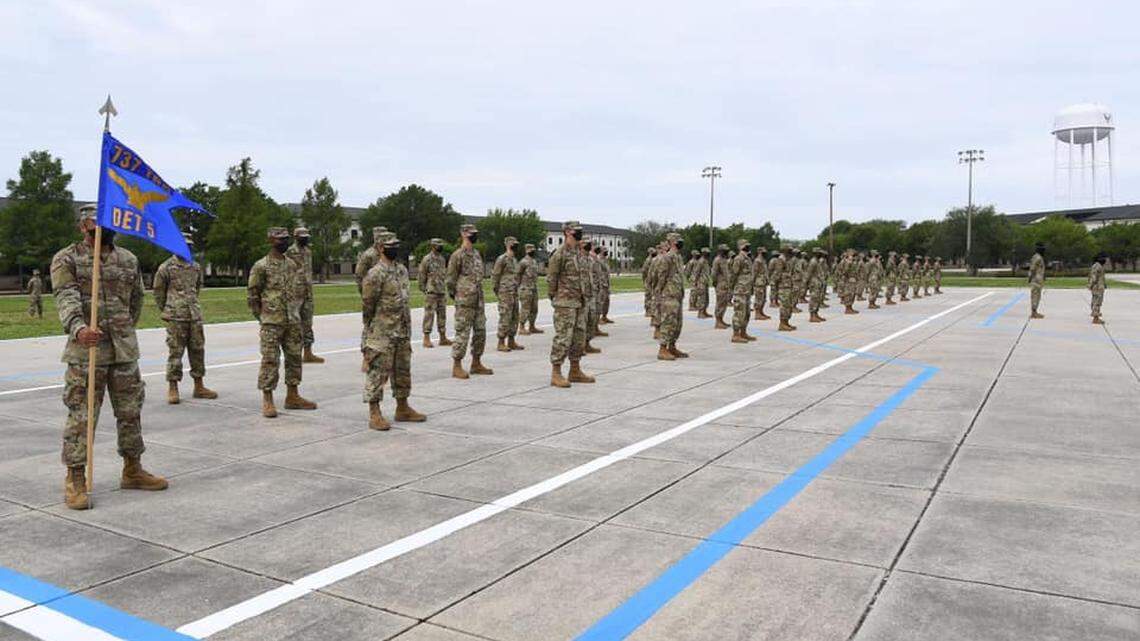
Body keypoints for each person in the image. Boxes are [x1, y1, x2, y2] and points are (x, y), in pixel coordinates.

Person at [51, 204, 167, 510]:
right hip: (86, 351)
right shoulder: (68, 258)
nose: (101, 230)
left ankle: (133, 469)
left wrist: (123, 329)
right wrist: (78, 328)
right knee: (82, 416)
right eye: (93, 226)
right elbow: (65, 297)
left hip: (124, 351)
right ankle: (75, 478)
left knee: (130, 411)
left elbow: (136, 301)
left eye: (106, 224)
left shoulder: (128, 259)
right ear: (83, 228)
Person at [249, 227, 318, 418]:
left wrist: (297, 313)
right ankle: (268, 400)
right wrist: (263, 317)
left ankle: (292, 396)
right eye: (280, 239)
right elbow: (253, 296)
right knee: (270, 360)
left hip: (292, 320)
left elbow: (298, 291)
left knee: (294, 358)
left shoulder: (292, 265)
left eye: (286, 239)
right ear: (271, 240)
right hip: (272, 322)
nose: (284, 242)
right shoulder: (261, 266)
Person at [361, 232, 425, 430]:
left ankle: (402, 408)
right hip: (382, 331)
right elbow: (368, 306)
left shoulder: (402, 270)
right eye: (390, 245)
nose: (394, 248)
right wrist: (371, 332)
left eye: (396, 244)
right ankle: (374, 413)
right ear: (380, 248)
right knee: (377, 373)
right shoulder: (375, 274)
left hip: (402, 330)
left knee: (402, 371)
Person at [153, 233, 217, 405]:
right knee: (175, 352)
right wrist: (168, 310)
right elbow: (159, 292)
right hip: (176, 317)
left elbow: (197, 288)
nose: (187, 248)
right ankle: (173, 387)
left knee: (198, 350)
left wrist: (192, 306)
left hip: (194, 316)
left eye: (189, 246)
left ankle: (199, 385)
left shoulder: (195, 267)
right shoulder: (166, 267)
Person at [547, 221, 594, 387]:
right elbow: (551, 279)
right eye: (576, 231)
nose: (579, 233)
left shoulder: (578, 253)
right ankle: (556, 372)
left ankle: (575, 370)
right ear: (567, 232)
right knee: (563, 338)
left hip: (579, 302)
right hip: (565, 303)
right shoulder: (560, 254)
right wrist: (556, 298)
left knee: (578, 338)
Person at [447, 224, 494, 378]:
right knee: (462, 333)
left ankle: (476, 362)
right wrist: (458, 296)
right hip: (464, 300)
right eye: (470, 233)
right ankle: (457, 365)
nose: (473, 236)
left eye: (474, 233)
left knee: (481, 331)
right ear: (463, 234)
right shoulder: (457, 255)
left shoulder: (476, 254)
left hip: (478, 300)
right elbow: (451, 280)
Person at [286, 227, 323, 364]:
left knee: (307, 323)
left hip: (307, 291)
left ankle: (308, 353)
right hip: (295, 293)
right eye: (302, 236)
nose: (305, 238)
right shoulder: (289, 251)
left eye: (306, 236)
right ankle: (294, 355)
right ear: (295, 237)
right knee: (294, 325)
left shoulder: (308, 251)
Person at [355, 226, 388, 370]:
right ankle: (366, 357)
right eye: (379, 236)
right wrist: (365, 293)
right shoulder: (368, 255)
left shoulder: (386, 253)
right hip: (371, 296)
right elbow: (359, 275)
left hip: (386, 298)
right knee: (369, 327)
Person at [651, 233, 688, 359]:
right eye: (678, 241)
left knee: (677, 323)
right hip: (668, 295)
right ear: (672, 242)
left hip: (677, 294)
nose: (680, 243)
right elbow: (661, 277)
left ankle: (672, 346)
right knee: (668, 322)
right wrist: (659, 294)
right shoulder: (667, 258)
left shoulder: (678, 257)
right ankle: (662, 349)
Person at [491, 236, 523, 352]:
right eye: (514, 244)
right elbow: (495, 276)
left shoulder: (514, 259)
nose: (516, 246)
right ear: (508, 245)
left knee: (515, 316)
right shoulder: (502, 259)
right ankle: (501, 342)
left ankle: (511, 340)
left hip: (514, 292)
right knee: (505, 316)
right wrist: (498, 291)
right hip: (505, 292)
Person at [418, 238, 452, 348]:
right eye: (438, 245)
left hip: (441, 291)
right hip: (431, 291)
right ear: (432, 246)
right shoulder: (427, 259)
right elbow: (422, 275)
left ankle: (443, 337)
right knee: (429, 315)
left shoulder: (442, 259)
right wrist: (425, 289)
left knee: (442, 315)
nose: (440, 247)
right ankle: (426, 338)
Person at [728, 239, 755, 343]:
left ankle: (743, 332)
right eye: (745, 246)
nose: (747, 247)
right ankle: (735, 334)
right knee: (739, 312)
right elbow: (734, 274)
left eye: (748, 245)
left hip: (747, 290)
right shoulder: (738, 258)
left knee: (746, 313)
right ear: (740, 247)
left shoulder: (747, 258)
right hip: (740, 290)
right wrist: (731, 288)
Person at [769, 245, 797, 331]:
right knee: (784, 305)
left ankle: (786, 322)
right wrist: (776, 284)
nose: (792, 252)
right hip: (783, 286)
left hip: (788, 285)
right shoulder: (781, 259)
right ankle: (782, 324)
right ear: (786, 251)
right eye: (790, 250)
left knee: (788, 305)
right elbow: (778, 273)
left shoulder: (788, 259)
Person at [517, 243, 543, 335]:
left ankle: (532, 326)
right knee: (525, 308)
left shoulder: (534, 261)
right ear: (526, 251)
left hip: (533, 288)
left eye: (533, 249)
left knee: (534, 309)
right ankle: (521, 327)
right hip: (525, 288)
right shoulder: (523, 262)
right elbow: (518, 274)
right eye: (530, 250)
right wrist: (518, 287)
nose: (532, 251)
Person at [712, 244, 732, 329]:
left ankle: (721, 319)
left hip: (725, 285)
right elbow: (714, 274)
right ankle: (718, 321)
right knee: (720, 303)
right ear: (721, 251)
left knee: (724, 303)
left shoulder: (724, 260)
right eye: (725, 250)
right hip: (720, 285)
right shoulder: (717, 260)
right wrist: (716, 283)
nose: (727, 252)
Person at [806, 248, 827, 322]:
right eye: (820, 253)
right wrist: (806, 283)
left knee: (817, 299)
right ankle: (812, 315)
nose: (821, 254)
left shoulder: (817, 261)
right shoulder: (813, 262)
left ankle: (816, 314)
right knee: (814, 299)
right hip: (814, 283)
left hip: (818, 283)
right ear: (816, 253)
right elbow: (808, 273)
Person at [1028, 243, 1046, 319]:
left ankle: (1035, 311)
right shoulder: (1037, 257)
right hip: (1036, 280)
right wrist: (1030, 278)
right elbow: (1032, 269)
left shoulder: (1039, 257)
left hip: (1038, 279)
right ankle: (1034, 313)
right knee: (1035, 295)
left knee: (1037, 295)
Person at [1088, 253, 1107, 324]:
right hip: (1097, 287)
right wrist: (1090, 285)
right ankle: (1096, 318)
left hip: (1099, 287)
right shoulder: (1097, 266)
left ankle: (1096, 315)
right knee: (1097, 302)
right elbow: (1094, 277)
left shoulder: (1099, 266)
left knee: (1096, 301)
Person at [641, 247, 657, 318]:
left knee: (652, 295)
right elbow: (644, 271)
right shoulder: (648, 260)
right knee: (648, 296)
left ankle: (651, 310)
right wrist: (645, 280)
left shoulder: (654, 260)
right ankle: (648, 311)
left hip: (653, 280)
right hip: (648, 280)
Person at [600, 247, 614, 323]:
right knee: (601, 301)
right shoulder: (599, 260)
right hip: (602, 284)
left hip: (607, 283)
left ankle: (604, 316)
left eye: (606, 251)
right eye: (604, 251)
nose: (606, 253)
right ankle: (599, 318)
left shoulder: (606, 261)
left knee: (606, 301)